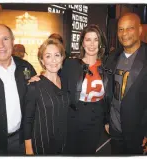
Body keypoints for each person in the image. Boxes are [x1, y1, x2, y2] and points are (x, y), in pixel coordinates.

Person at [0, 24, 36, 155]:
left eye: (5, 38)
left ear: (12, 41)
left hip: (21, 143)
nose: (1, 45)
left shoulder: (25, 67)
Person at [104, 13, 147, 155]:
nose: (124, 33)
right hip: (115, 129)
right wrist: (107, 120)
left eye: (129, 28)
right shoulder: (112, 57)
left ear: (139, 30)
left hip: (139, 132)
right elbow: (108, 91)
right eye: (120, 29)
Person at [61, 24, 108, 155]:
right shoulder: (70, 64)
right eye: (88, 39)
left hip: (96, 118)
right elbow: (57, 83)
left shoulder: (107, 66)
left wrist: (107, 120)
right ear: (82, 43)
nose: (92, 44)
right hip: (72, 117)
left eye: (96, 39)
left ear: (100, 43)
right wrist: (39, 78)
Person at [23, 38, 69, 155]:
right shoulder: (34, 86)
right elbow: (27, 120)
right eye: (48, 56)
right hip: (43, 144)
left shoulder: (66, 82)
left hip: (64, 141)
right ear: (42, 60)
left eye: (57, 55)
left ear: (62, 58)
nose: (53, 60)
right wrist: (29, 150)